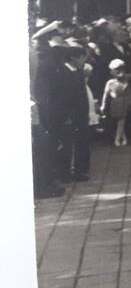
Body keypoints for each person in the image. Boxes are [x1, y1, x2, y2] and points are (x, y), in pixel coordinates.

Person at [37, 40, 92, 182]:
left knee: (81, 142)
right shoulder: (62, 72)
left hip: (81, 113)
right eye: (81, 57)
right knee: (68, 144)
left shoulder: (77, 72)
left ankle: (80, 170)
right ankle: (66, 172)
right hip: (69, 115)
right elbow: (63, 96)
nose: (83, 61)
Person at [101, 58, 131, 147]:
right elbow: (106, 94)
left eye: (121, 70)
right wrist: (103, 105)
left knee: (122, 120)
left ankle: (117, 139)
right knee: (119, 120)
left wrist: (129, 102)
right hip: (115, 102)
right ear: (112, 72)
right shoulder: (110, 82)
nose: (120, 72)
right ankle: (123, 137)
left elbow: (129, 93)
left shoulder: (125, 82)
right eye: (116, 70)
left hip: (124, 102)